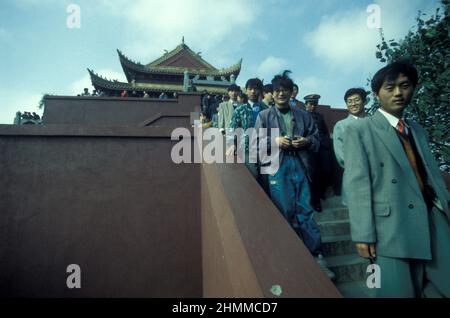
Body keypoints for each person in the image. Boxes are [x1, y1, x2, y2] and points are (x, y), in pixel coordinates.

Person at [343, 61, 450, 298]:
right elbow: (357, 184)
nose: (398, 93)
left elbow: (431, 173)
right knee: (397, 291)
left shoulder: (417, 129)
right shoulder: (360, 130)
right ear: (376, 94)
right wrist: (363, 234)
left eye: (405, 86)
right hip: (391, 226)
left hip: (433, 216)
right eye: (390, 87)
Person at [255, 71, 335, 280]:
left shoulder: (303, 115)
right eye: (277, 90)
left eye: (285, 90)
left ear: (292, 93)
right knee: (284, 210)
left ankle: (317, 255)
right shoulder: (264, 116)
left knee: (305, 210)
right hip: (277, 166)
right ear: (272, 94)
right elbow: (255, 143)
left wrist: (306, 142)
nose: (281, 94)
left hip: (301, 164)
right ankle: (287, 257)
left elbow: (317, 139)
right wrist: (275, 141)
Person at [227, 78, 268, 178]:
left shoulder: (266, 110)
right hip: (247, 148)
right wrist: (232, 144)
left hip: (265, 148)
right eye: (250, 89)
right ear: (245, 90)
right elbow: (233, 128)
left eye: (256, 89)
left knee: (265, 179)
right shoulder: (240, 109)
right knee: (253, 176)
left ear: (260, 91)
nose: (253, 91)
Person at [304, 94, 333, 212]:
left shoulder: (319, 116)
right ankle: (315, 201)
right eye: (310, 104)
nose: (312, 106)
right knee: (313, 174)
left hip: (322, 147)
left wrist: (326, 143)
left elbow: (325, 131)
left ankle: (322, 193)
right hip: (309, 148)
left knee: (326, 170)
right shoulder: (302, 116)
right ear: (305, 105)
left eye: (314, 104)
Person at [333, 88, 367, 168]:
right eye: (349, 101)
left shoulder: (373, 122)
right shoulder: (341, 126)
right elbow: (340, 154)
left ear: (364, 102)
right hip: (355, 171)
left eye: (356, 100)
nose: (353, 104)